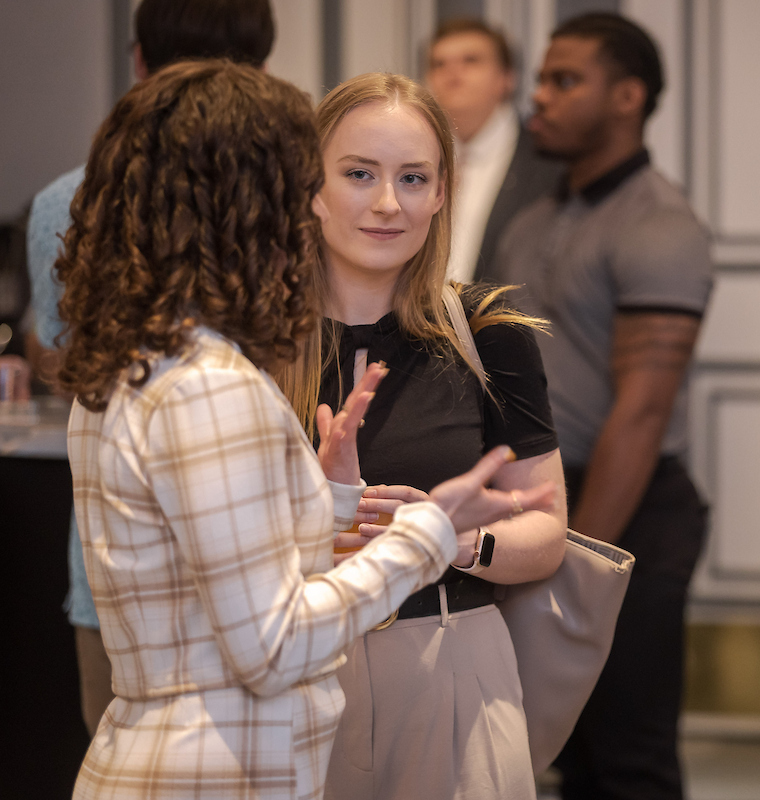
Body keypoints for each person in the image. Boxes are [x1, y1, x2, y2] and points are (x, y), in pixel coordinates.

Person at [57, 59, 552, 800]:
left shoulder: (134, 361)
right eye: (334, 176)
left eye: (414, 178)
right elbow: (271, 645)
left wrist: (335, 502)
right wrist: (430, 533)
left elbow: (223, 550)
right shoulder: (217, 378)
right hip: (220, 755)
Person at [270, 72, 568, 800]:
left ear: (441, 193)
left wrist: (442, 539)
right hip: (290, 674)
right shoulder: (258, 341)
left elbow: (547, 531)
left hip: (449, 662)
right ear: (311, 183)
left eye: (412, 178)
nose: (386, 203)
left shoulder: (486, 334)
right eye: (359, 174)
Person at [25, 0, 278, 737]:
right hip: (269, 556)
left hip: (117, 568)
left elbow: (64, 365)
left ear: (138, 60)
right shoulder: (290, 196)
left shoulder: (64, 201)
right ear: (263, 68)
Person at [492, 13, 713, 800]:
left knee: (629, 758)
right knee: (563, 756)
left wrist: (572, 556)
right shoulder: (533, 219)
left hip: (630, 507)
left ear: (627, 96)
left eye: (564, 80)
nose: (538, 99)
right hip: (545, 497)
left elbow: (643, 413)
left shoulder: (660, 224)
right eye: (542, 78)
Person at [424, 18, 561, 282]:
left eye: (471, 60)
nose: (452, 73)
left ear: (507, 78)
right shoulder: (413, 158)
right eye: (439, 64)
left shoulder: (549, 160)